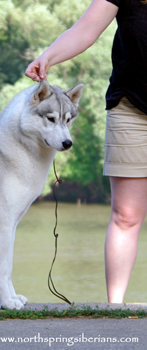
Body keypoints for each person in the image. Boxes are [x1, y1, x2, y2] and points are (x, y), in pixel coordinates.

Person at [25, 0, 147, 303]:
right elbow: (85, 30)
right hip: (132, 107)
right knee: (126, 215)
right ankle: (115, 309)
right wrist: (48, 56)